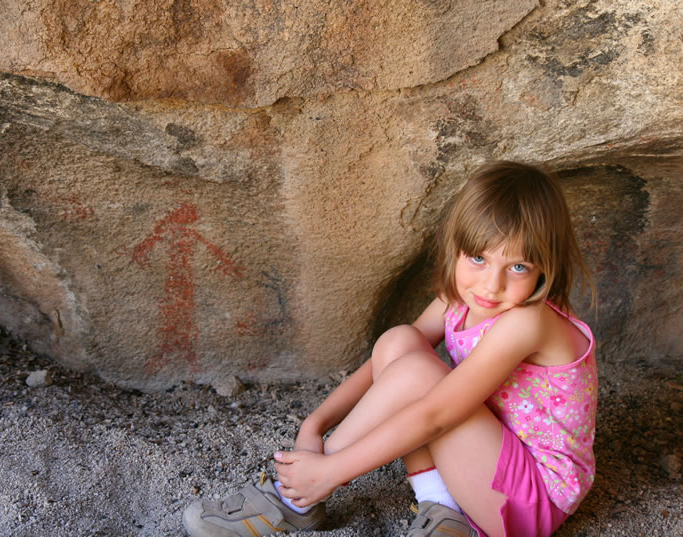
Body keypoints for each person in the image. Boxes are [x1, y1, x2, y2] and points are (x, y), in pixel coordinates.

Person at [183, 161, 597, 537]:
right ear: (455, 248)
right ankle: (441, 506)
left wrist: (331, 470)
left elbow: (435, 414)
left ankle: (293, 499)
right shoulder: (461, 300)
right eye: (477, 259)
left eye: (518, 267)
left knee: (420, 376)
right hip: (486, 465)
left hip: (530, 504)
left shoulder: (528, 320)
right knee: (401, 341)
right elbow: (389, 360)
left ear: (547, 265)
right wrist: (314, 424)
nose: (492, 285)